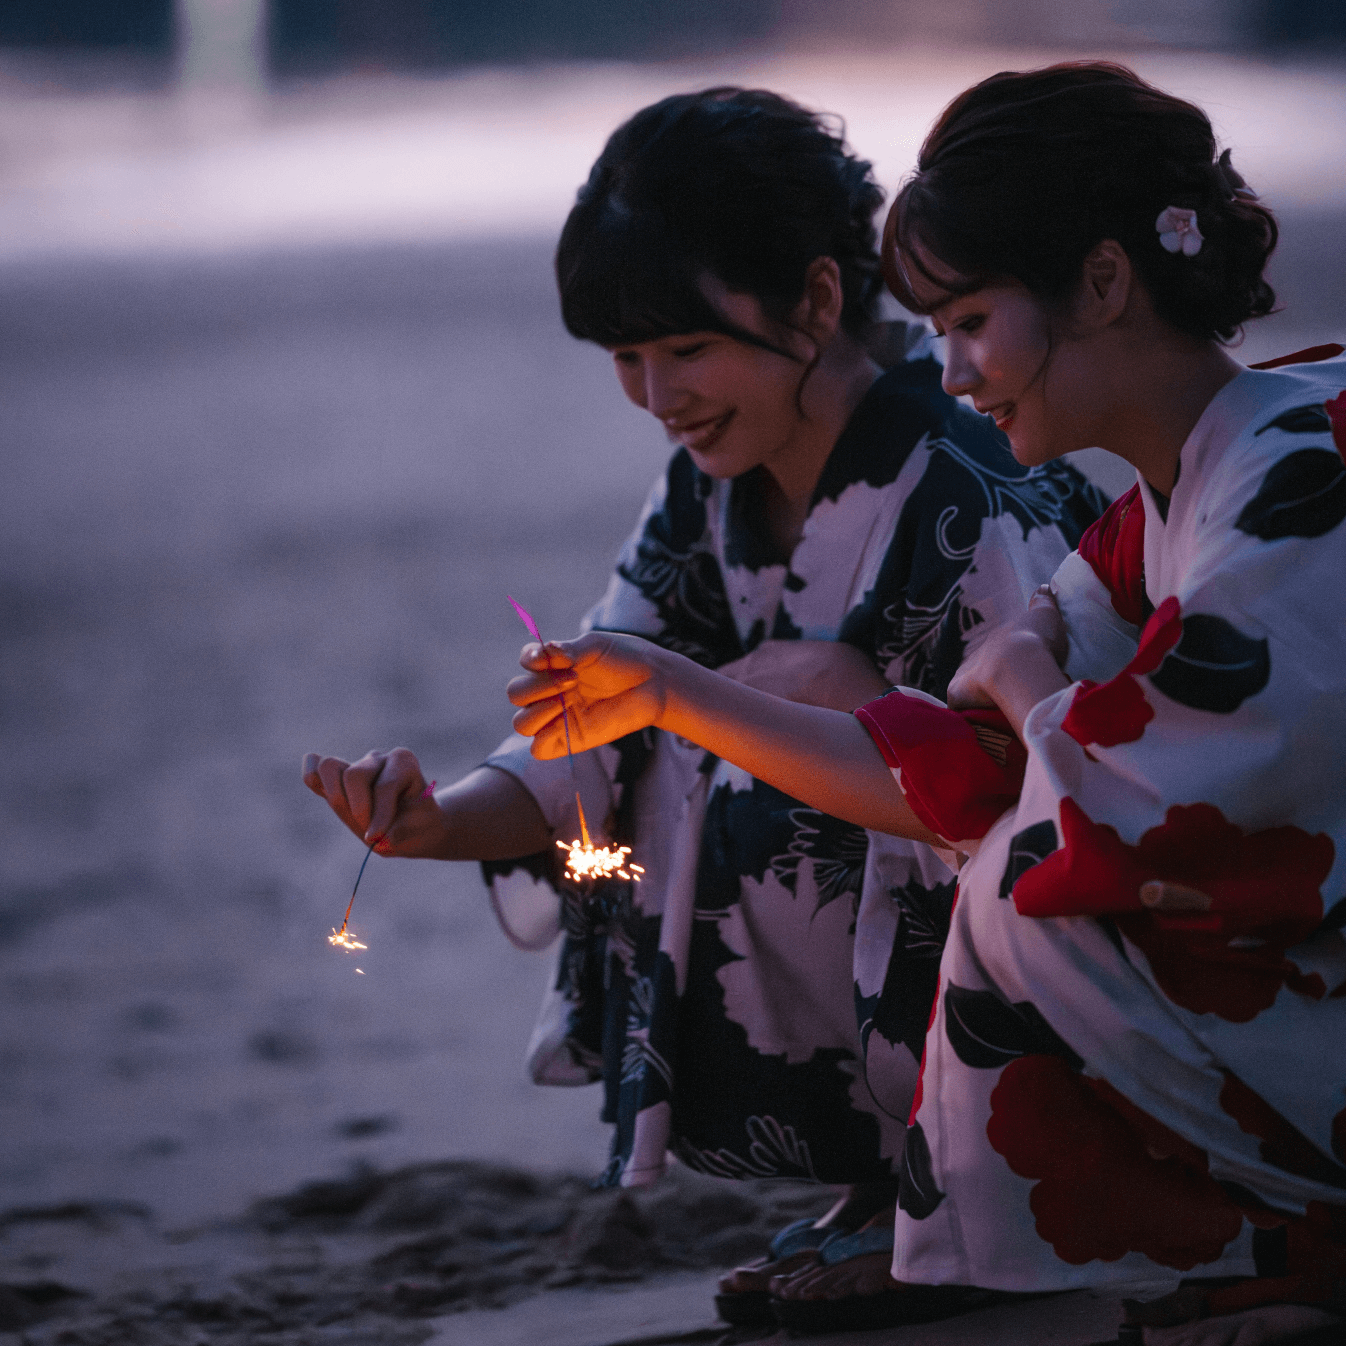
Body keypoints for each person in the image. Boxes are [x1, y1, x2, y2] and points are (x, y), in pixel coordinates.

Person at [507, 64, 1346, 1343]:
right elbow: (962, 759)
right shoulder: (1156, 506)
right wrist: (673, 698)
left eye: (968, 320)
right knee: (980, 847)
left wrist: (1016, 679)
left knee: (1022, 886)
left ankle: (1273, 1227)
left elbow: (1139, 807)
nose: (952, 371)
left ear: (1104, 283)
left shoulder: (1288, 475)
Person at [303, 86, 1102, 1330]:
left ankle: (969, 1182)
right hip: (921, 901)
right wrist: (436, 819)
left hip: (1071, 933)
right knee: (685, 741)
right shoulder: (705, 487)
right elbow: (600, 713)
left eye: (686, 348)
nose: (656, 393)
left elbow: (1023, 792)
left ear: (816, 299)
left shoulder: (959, 477)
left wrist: (744, 704)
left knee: (745, 749)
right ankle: (891, 1172)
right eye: (626, 357)